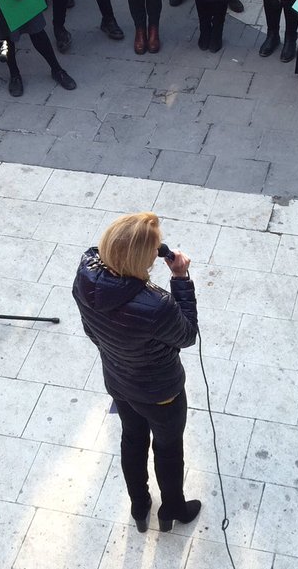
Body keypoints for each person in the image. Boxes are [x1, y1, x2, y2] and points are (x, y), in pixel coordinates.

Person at [72, 212, 199, 535]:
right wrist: (180, 279)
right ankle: (172, 509)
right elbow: (186, 336)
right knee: (168, 449)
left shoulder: (84, 275)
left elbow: (92, 330)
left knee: (132, 438)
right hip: (161, 393)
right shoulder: (156, 305)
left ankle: (139, 507)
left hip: (118, 381)